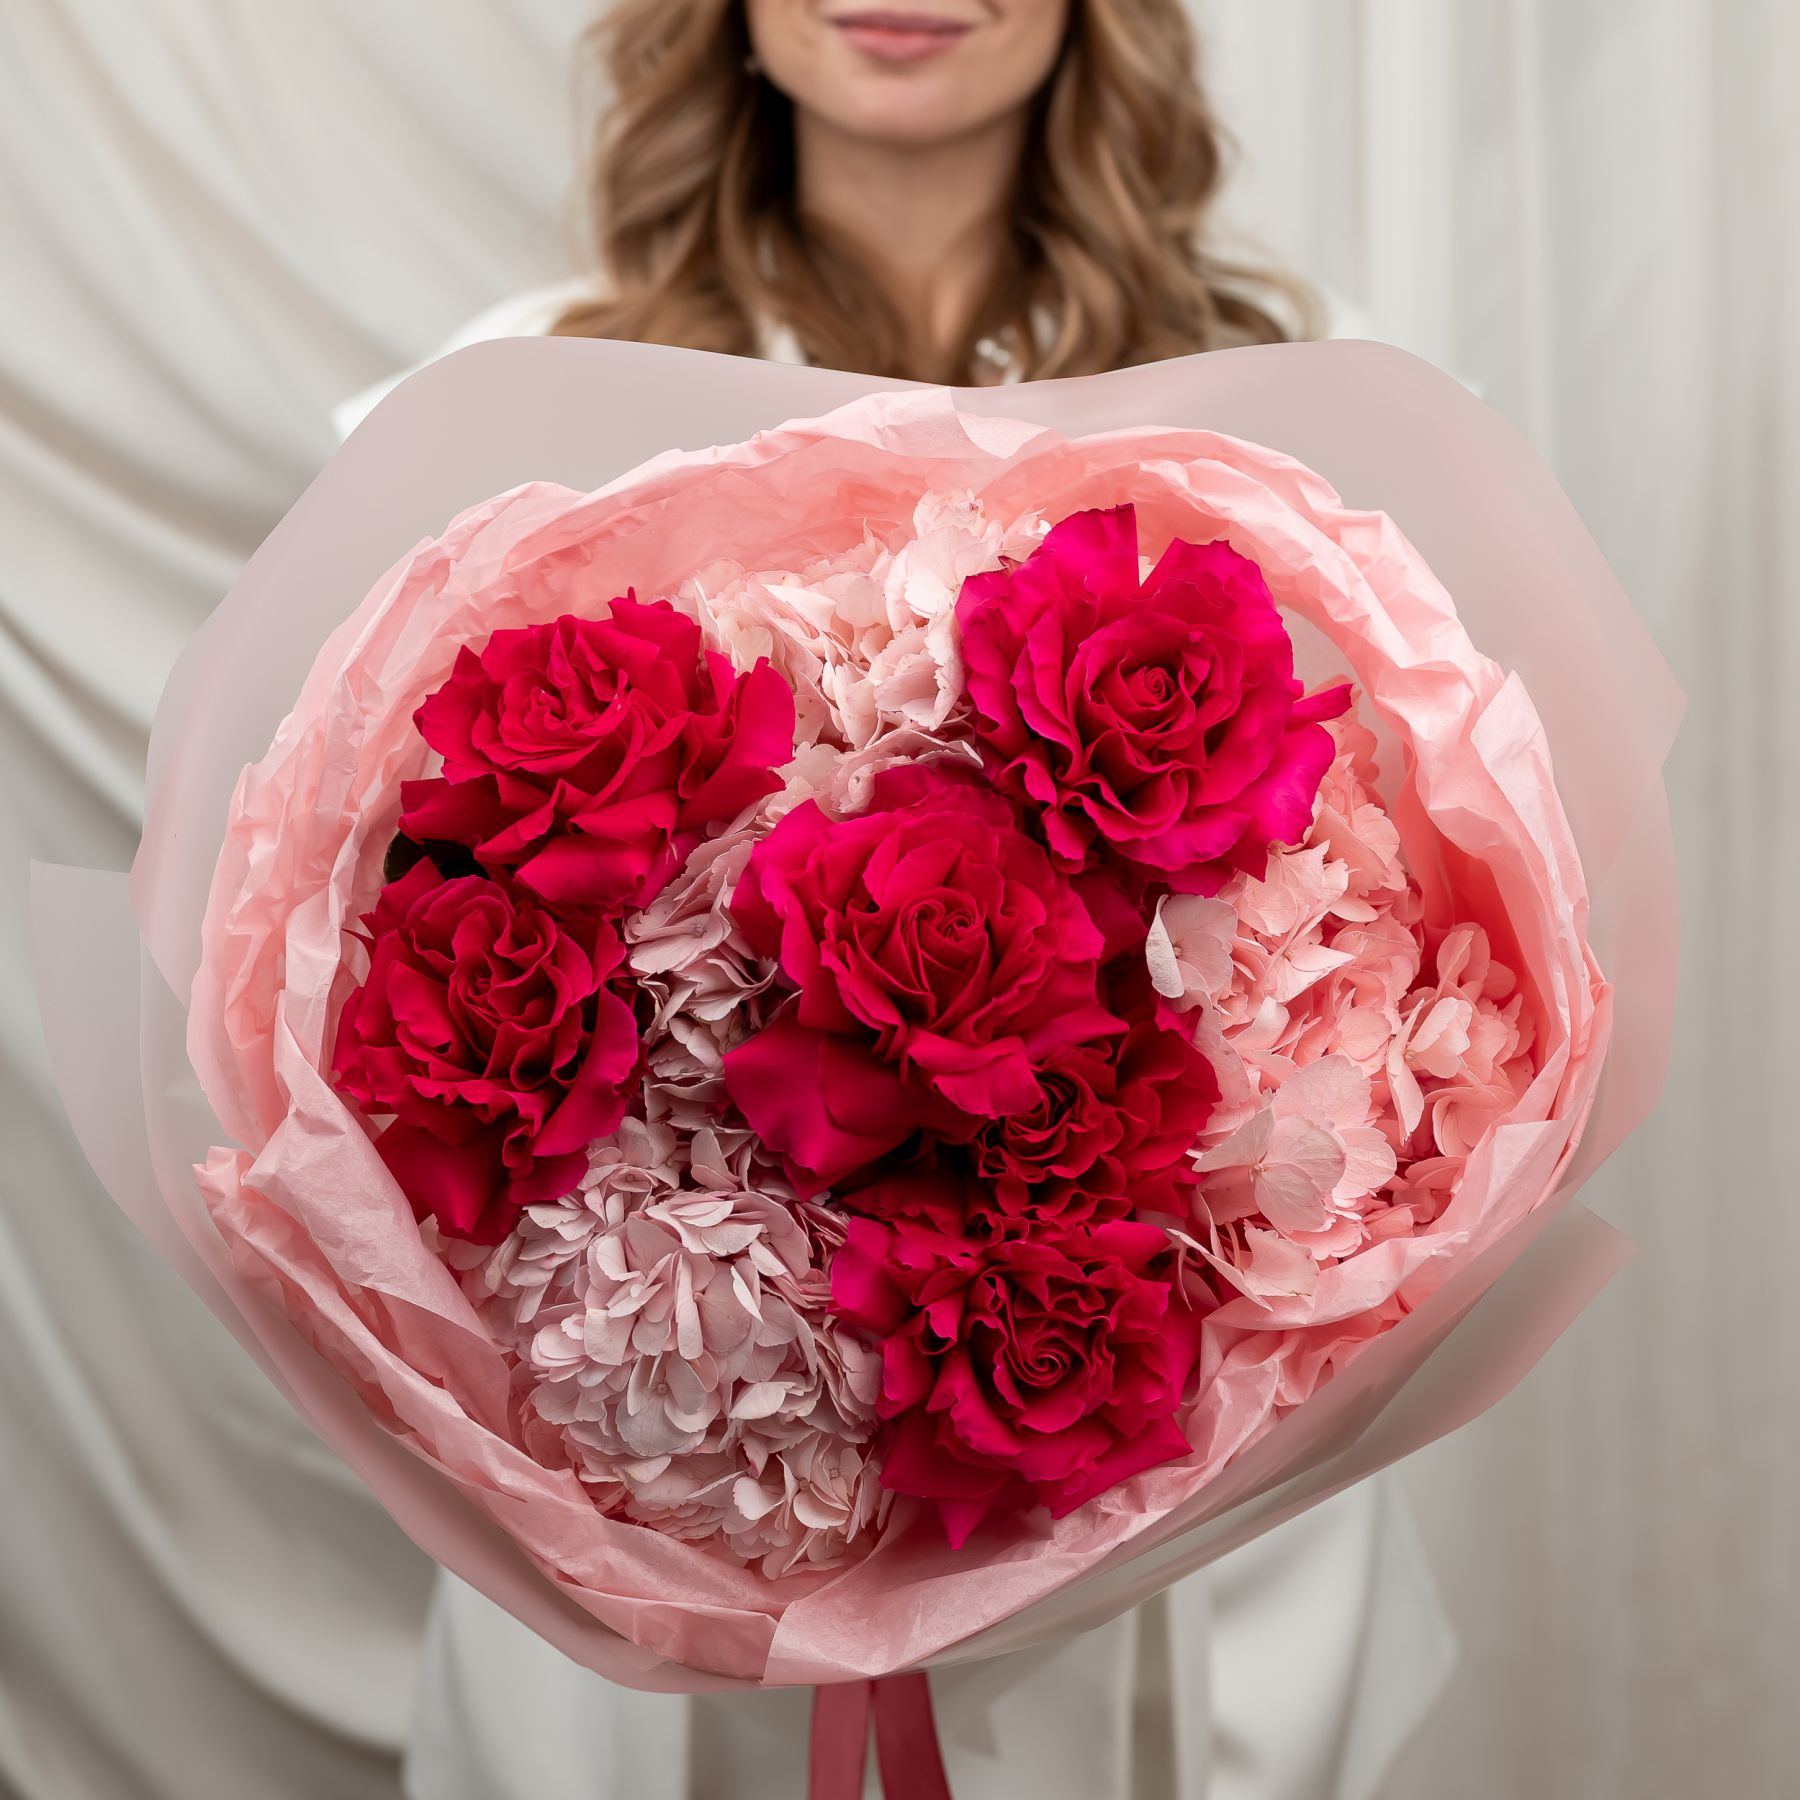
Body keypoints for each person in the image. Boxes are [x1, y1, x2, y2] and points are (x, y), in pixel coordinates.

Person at [344, 6, 1455, 1798]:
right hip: (674, 1439)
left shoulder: (1293, 385)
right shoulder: (520, 391)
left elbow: (1397, 896)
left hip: (1170, 1446)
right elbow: (376, 930)